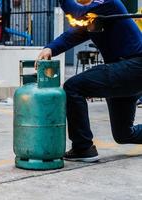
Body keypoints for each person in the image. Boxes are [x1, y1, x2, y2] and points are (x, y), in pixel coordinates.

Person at [36, 0, 142, 162]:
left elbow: (76, 12)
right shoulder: (92, 16)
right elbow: (73, 34)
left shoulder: (109, 3)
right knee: (123, 134)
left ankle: (83, 147)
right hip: (125, 72)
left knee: (73, 87)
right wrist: (50, 47)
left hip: (134, 66)